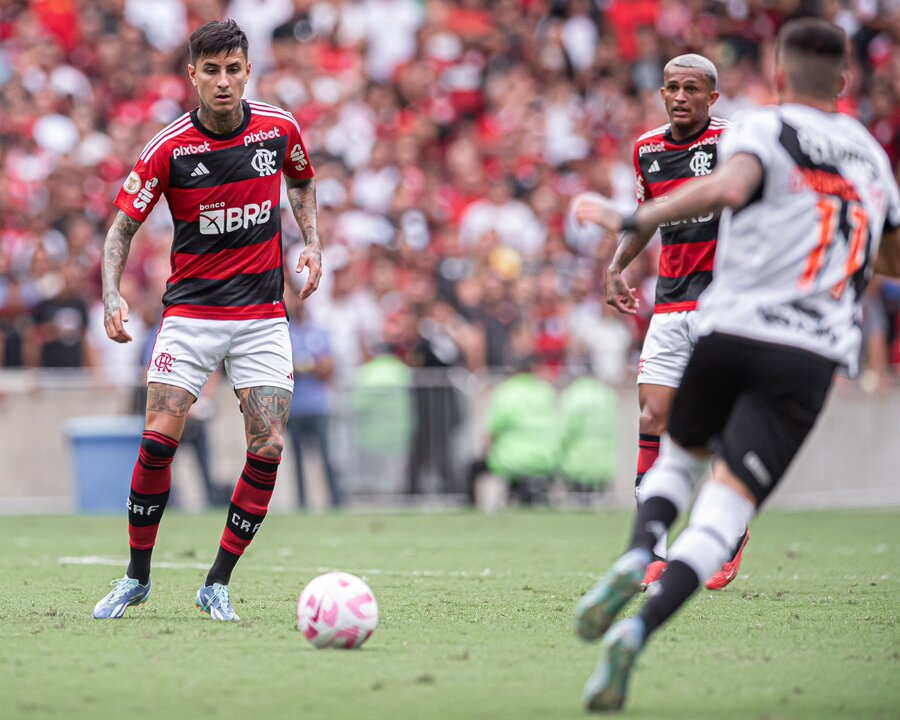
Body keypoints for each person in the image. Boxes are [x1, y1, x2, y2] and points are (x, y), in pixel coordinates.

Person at [571, 18, 900, 711]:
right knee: (719, 485)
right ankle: (647, 616)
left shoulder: (757, 131)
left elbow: (725, 190)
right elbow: (889, 255)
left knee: (684, 455)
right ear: (845, 82)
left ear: (775, 77)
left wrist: (628, 221)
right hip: (804, 348)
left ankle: (640, 548)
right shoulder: (873, 159)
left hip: (731, 318)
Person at [92, 19, 321, 622]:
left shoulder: (277, 129)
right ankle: (136, 576)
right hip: (190, 315)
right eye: (211, 70)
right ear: (192, 74)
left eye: (234, 69)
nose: (224, 81)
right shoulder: (168, 147)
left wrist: (313, 242)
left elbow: (301, 180)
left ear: (248, 70)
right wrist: (111, 295)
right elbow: (121, 228)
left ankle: (216, 581)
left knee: (268, 445)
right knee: (159, 439)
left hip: (263, 315)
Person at [572, 54, 748, 591]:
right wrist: (616, 265)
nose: (678, 96)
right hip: (670, 303)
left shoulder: (734, 144)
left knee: (717, 429)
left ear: (711, 97)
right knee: (652, 417)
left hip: (725, 304)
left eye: (691, 89)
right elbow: (646, 216)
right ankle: (654, 550)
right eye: (671, 86)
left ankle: (728, 532)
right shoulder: (648, 149)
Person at [285, 295, 342, 509]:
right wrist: (309, 366)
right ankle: (302, 503)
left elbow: (328, 365)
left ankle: (335, 500)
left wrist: (304, 366)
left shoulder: (318, 332)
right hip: (296, 406)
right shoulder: (286, 333)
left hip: (317, 405)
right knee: (297, 459)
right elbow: (286, 366)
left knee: (326, 456)